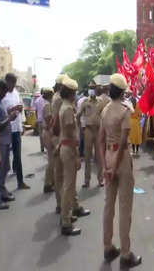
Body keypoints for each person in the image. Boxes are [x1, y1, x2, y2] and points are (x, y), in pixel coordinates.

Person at [97, 74, 142, 268]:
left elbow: (100, 140)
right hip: (121, 159)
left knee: (109, 206)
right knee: (124, 208)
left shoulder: (105, 110)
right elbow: (124, 140)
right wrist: (114, 167)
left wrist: (105, 166)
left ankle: (107, 247)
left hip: (108, 156)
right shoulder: (125, 110)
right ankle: (125, 253)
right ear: (123, 92)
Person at [58, 77, 90, 236]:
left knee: (68, 184)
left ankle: (69, 214)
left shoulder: (65, 107)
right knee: (68, 186)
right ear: (71, 93)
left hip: (65, 147)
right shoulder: (68, 109)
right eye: (75, 92)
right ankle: (65, 221)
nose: (76, 95)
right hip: (69, 148)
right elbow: (71, 134)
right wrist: (78, 155)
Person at [2, 73, 30, 189]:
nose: (13, 85)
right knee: (4, 159)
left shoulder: (16, 93)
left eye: (14, 82)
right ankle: (1, 187)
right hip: (6, 128)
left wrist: (22, 124)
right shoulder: (2, 94)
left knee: (17, 156)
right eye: (11, 82)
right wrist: (12, 109)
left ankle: (20, 181)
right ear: (6, 81)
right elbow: (0, 111)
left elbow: (20, 107)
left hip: (16, 128)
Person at [0, 79, 17, 210]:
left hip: (5, 141)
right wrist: (10, 118)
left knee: (5, 169)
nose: (5, 95)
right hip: (0, 142)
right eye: (4, 92)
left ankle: (1, 191)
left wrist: (9, 113)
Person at [77, 82, 103, 188]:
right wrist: (80, 129)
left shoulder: (100, 101)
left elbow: (104, 114)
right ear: (88, 90)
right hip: (87, 130)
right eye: (90, 88)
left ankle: (100, 180)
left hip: (98, 130)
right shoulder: (85, 102)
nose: (92, 90)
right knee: (87, 157)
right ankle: (86, 181)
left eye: (93, 88)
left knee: (99, 157)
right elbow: (78, 115)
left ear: (96, 89)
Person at [51, 74, 67, 214]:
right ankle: (61, 206)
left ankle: (62, 204)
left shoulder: (56, 98)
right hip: (60, 138)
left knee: (60, 174)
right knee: (61, 174)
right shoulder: (59, 99)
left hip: (59, 138)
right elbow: (56, 124)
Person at [41, 88, 55, 193]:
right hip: (48, 132)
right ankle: (48, 183)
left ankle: (51, 182)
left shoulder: (48, 104)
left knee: (52, 159)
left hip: (47, 132)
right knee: (51, 160)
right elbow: (49, 121)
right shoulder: (47, 105)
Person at [77, 87, 89, 158]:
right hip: (85, 121)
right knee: (85, 139)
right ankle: (83, 152)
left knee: (81, 137)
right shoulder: (86, 100)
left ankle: (81, 152)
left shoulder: (79, 100)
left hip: (81, 121)